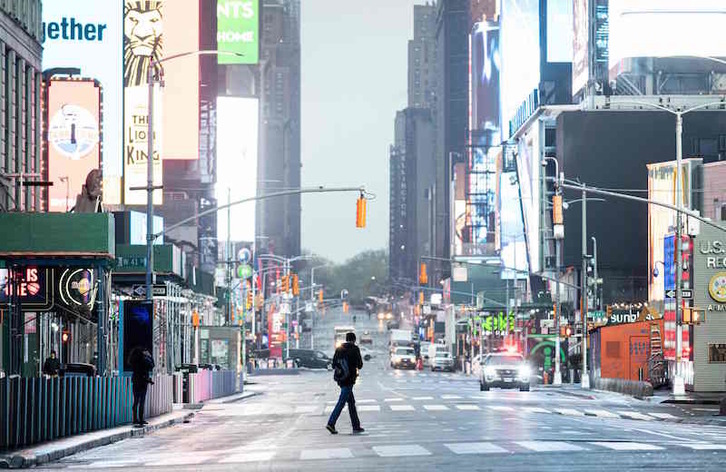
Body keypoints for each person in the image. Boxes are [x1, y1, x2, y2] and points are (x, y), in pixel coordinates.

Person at [326, 332, 364, 435]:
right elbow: (360, 365)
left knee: (351, 402)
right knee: (342, 402)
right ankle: (331, 423)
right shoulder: (354, 349)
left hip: (341, 379)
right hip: (349, 379)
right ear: (354, 340)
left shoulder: (339, 349)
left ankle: (356, 425)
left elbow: (334, 364)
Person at [128, 347, 155, 426]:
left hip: (136, 381)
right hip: (143, 381)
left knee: (136, 401)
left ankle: (134, 419)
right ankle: (141, 419)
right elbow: (152, 365)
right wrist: (149, 356)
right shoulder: (144, 360)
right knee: (142, 401)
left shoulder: (133, 360)